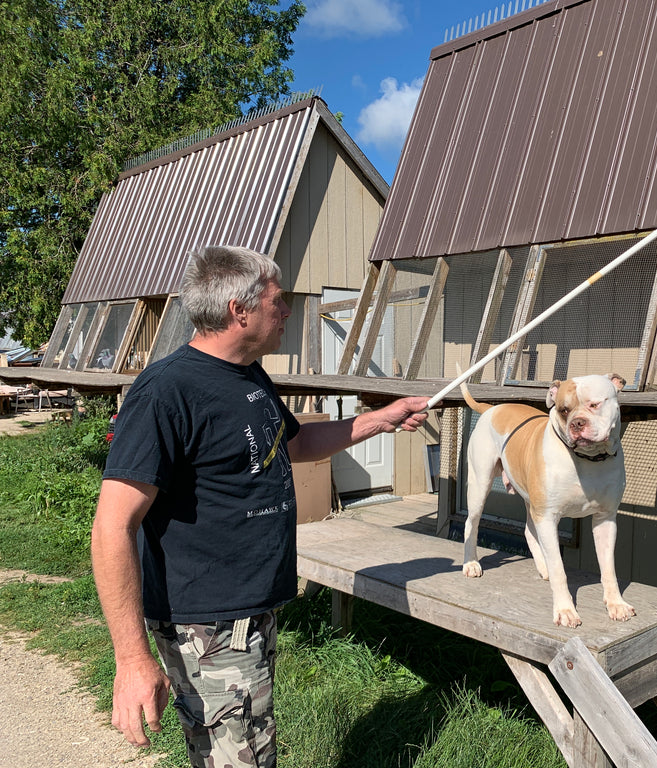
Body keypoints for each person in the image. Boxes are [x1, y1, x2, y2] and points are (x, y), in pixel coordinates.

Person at [91, 245, 429, 767]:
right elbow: (112, 526)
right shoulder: (167, 391)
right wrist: (131, 658)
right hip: (205, 619)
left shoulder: (249, 376)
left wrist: (379, 420)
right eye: (280, 300)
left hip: (252, 606)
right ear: (239, 310)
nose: (288, 311)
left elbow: (294, 445)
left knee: (250, 744)